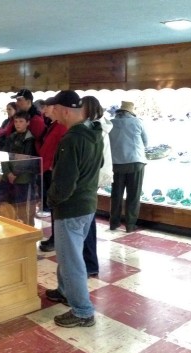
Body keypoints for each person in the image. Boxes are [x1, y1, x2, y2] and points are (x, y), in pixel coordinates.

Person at [43, 90, 104, 328]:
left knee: (71, 260)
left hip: (71, 207)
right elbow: (96, 166)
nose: (52, 114)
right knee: (70, 253)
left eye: (55, 109)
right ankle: (64, 290)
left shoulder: (71, 139)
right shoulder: (94, 133)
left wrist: (53, 200)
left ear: (65, 110)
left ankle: (82, 311)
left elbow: (65, 182)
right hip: (87, 204)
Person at [81, 95, 113, 277]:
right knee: (88, 222)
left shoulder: (95, 129)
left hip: (92, 177)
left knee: (88, 223)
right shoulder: (99, 127)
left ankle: (90, 263)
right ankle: (90, 263)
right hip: (97, 176)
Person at [108, 101, 148, 232]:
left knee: (116, 194)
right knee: (133, 194)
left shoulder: (111, 123)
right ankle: (130, 225)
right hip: (135, 162)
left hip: (116, 163)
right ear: (131, 111)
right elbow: (146, 142)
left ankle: (114, 222)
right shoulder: (137, 122)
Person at [36, 97, 69, 252]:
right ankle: (55, 237)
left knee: (56, 207)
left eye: (47, 108)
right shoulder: (53, 125)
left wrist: (52, 166)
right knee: (53, 206)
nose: (44, 111)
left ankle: (57, 239)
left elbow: (59, 149)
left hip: (51, 169)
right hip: (46, 167)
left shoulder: (61, 127)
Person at [0, 111, 37, 225]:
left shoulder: (31, 140)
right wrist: (8, 173)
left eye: (21, 121)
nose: (18, 124)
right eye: (16, 121)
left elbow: (28, 160)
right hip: (8, 178)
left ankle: (27, 229)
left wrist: (15, 173)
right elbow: (5, 155)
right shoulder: (11, 137)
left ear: (28, 123)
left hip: (23, 179)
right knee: (7, 206)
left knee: (23, 208)